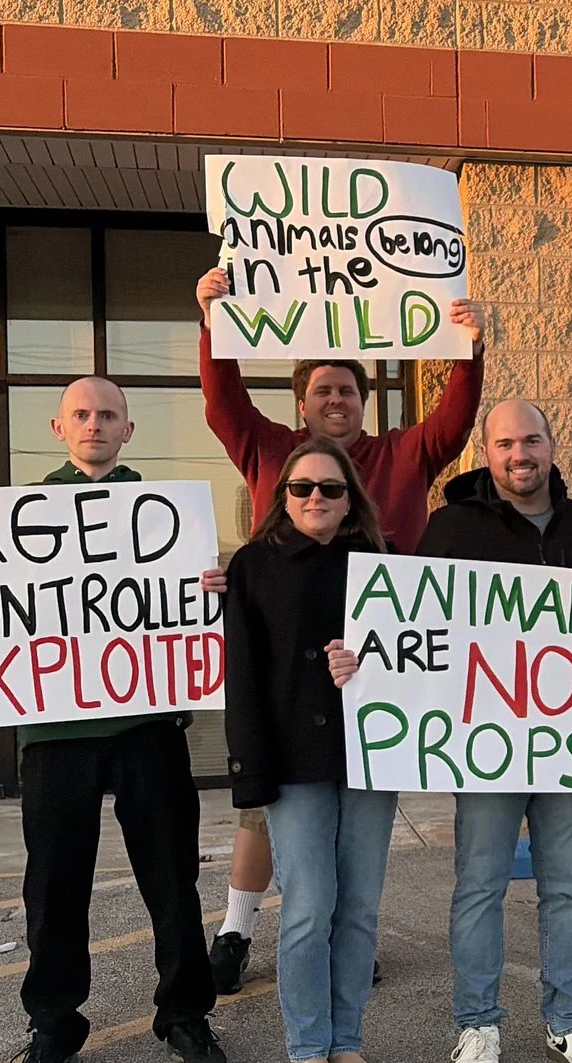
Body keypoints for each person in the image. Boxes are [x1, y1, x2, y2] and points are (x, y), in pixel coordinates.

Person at [0, 378, 226, 1063]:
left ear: (128, 430)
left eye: (108, 415)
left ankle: (185, 1012)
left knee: (171, 878)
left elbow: (194, 603)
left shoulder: (166, 517)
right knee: (53, 885)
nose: (95, 424)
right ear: (59, 426)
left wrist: (212, 591)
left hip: (148, 722)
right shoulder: (14, 517)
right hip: (53, 730)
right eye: (82, 414)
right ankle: (53, 1023)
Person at [192, 268, 484, 995]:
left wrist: (471, 351)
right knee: (273, 810)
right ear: (302, 403)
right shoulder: (269, 449)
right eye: (322, 390)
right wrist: (212, 318)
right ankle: (236, 927)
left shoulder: (404, 454)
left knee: (361, 820)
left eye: (347, 390)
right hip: (292, 660)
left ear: (365, 400)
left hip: (382, 665)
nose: (335, 400)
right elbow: (223, 402)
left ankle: (349, 938)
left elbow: (453, 419)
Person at [418, 400, 572, 1063]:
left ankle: (569, 1018)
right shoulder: (451, 527)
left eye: (533, 439)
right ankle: (477, 1023)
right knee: (480, 884)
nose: (521, 453)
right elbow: (417, 626)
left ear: (553, 444)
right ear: (487, 452)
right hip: (485, 743)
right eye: (506, 442)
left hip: (565, 738)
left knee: (567, 888)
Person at [222, 438, 396, 1063]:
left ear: (350, 498)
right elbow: (241, 676)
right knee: (308, 907)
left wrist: (368, 667)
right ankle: (306, 1047)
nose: (315, 498)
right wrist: (249, 772)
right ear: (282, 496)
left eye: (329, 487)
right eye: (301, 488)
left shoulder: (382, 565)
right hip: (294, 761)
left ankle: (346, 1039)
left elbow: (418, 659)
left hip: (372, 755)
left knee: (357, 909)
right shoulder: (252, 567)